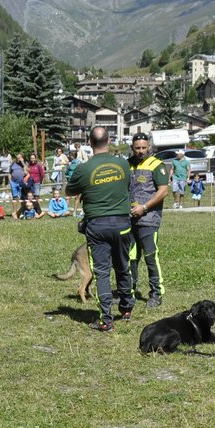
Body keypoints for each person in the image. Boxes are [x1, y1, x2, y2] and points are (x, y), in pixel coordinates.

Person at [66, 124, 135, 331]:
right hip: (123, 223)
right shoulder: (123, 165)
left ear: (89, 143)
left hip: (97, 226)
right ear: (109, 141)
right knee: (123, 267)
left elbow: (69, 191)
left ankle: (106, 320)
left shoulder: (83, 169)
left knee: (102, 272)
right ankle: (126, 308)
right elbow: (128, 186)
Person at [127, 131, 171, 308]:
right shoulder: (127, 164)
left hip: (149, 220)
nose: (141, 151)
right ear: (132, 147)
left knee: (151, 257)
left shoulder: (157, 165)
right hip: (129, 220)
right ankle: (128, 291)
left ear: (149, 147)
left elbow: (163, 191)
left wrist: (144, 208)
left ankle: (156, 293)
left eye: (144, 148)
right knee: (130, 258)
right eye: (137, 148)